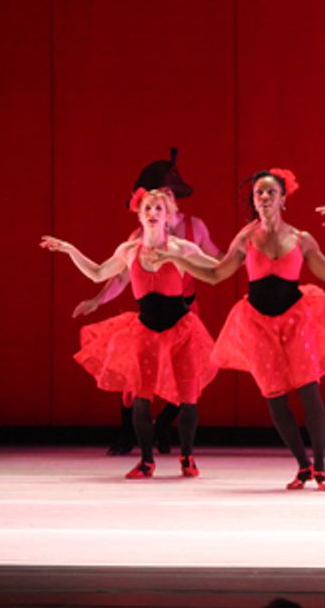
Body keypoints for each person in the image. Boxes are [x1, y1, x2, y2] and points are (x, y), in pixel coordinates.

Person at [153, 169, 325, 491]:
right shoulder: (246, 238)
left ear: (283, 199)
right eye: (260, 193)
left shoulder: (301, 239)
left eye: (271, 192)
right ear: (254, 200)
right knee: (275, 397)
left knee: (310, 391)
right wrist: (178, 259)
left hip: (296, 320)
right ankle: (303, 465)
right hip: (258, 324)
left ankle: (321, 467)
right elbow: (216, 274)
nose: (265, 198)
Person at [41, 187, 217, 478]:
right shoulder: (129, 250)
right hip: (146, 330)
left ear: (169, 217)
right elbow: (98, 273)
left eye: (159, 209)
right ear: (139, 214)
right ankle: (147, 460)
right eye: (147, 208)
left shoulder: (182, 248)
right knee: (140, 397)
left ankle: (187, 456)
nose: (152, 214)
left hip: (182, 330)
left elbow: (220, 269)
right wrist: (71, 250)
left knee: (188, 397)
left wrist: (246, 250)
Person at [74, 148, 222, 456]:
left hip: (184, 312)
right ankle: (132, 436)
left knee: (184, 382)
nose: (159, 203)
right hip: (150, 311)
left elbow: (218, 263)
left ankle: (165, 429)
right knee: (136, 381)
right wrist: (96, 301)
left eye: (166, 195)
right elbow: (115, 277)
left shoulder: (194, 230)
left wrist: (245, 256)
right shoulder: (135, 241)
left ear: (172, 202)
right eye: (152, 201)